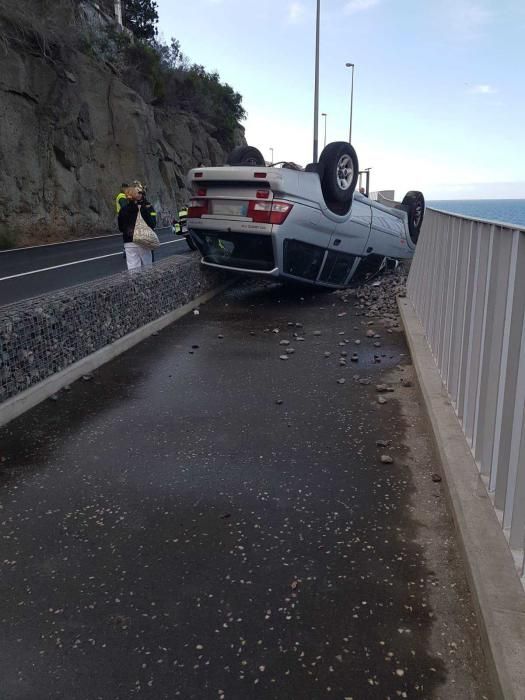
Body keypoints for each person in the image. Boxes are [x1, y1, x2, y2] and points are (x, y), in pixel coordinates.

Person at [118, 185, 157, 270]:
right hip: (143, 239)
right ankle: (150, 282)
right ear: (136, 196)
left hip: (128, 242)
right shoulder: (143, 209)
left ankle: (136, 283)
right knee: (148, 266)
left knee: (133, 268)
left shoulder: (122, 210)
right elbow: (152, 224)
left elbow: (121, 228)